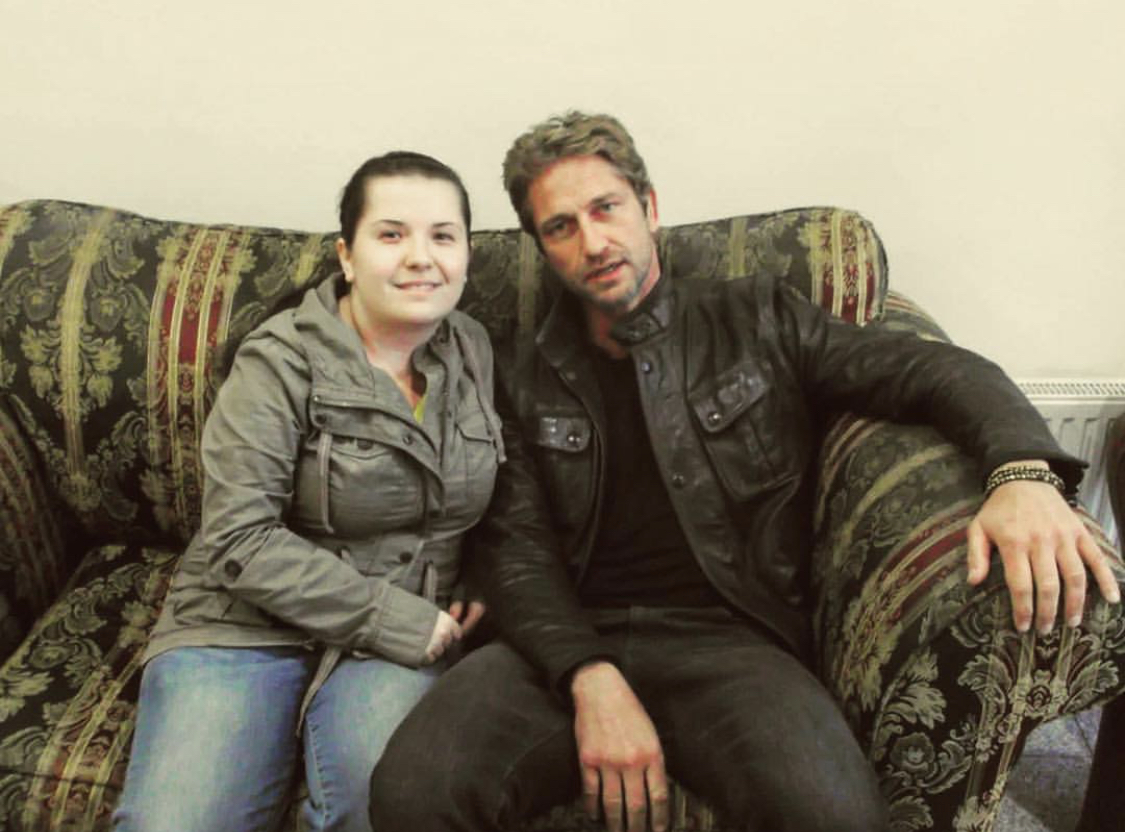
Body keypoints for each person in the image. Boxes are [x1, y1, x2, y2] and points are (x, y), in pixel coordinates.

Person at [368, 112, 1121, 832]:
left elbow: (929, 370)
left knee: (835, 818)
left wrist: (1022, 473)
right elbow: (517, 548)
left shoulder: (758, 318)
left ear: (649, 207)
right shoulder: (516, 372)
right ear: (542, 247)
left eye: (606, 208)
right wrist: (587, 675)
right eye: (561, 227)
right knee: (412, 794)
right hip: (561, 640)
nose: (593, 242)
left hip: (731, 641)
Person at [113, 151, 503, 832]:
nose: (421, 257)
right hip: (244, 625)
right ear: (346, 255)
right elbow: (239, 539)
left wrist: (484, 573)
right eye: (391, 234)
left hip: (397, 638)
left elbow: (502, 491)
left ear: (467, 255)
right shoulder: (277, 360)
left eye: (443, 236)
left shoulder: (472, 348)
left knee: (385, 808)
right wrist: (398, 620)